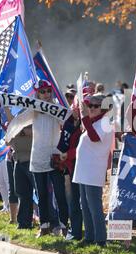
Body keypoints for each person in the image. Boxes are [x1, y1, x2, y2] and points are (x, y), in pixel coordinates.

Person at [5, 79, 69, 238]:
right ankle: (44, 226)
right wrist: (9, 134)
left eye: (48, 91)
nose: (46, 94)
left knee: (60, 194)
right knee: (41, 194)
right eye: (43, 91)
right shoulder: (33, 110)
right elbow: (19, 122)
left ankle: (63, 226)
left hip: (55, 156)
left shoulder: (57, 109)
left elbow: (67, 121)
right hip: (38, 156)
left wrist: (67, 111)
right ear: (37, 93)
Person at [72, 93, 114, 246]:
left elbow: (95, 138)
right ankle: (89, 236)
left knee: (94, 205)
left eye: (96, 106)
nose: (92, 108)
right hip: (84, 170)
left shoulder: (106, 122)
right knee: (85, 204)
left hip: (93, 170)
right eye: (90, 105)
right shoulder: (94, 122)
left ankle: (100, 239)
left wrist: (84, 118)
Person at [58, 98, 84, 241]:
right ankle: (75, 230)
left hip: (81, 167)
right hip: (69, 166)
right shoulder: (68, 123)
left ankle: (82, 231)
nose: (75, 109)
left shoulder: (85, 125)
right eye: (74, 106)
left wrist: (68, 154)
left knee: (81, 201)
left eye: (78, 107)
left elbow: (82, 147)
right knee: (73, 200)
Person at [8, 125, 35, 229]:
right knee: (21, 193)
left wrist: (19, 131)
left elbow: (35, 131)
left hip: (31, 159)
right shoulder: (16, 118)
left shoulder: (32, 113)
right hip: (18, 160)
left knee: (39, 192)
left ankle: (47, 224)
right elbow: (8, 139)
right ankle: (23, 223)